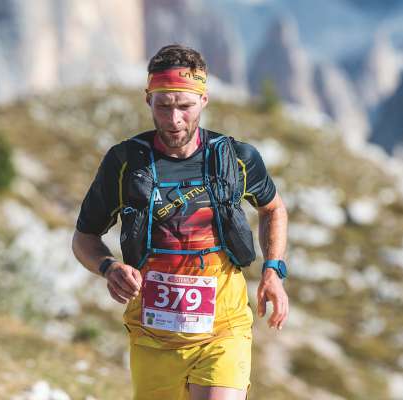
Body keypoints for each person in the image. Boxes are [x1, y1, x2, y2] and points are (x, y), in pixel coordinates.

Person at [72, 44, 289, 400]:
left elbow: (273, 209)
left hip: (224, 329)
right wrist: (108, 267)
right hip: (153, 336)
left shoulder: (237, 157)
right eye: (164, 106)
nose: (175, 120)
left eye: (185, 106)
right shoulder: (125, 162)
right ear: (148, 100)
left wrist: (273, 270)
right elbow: (84, 238)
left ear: (204, 99)